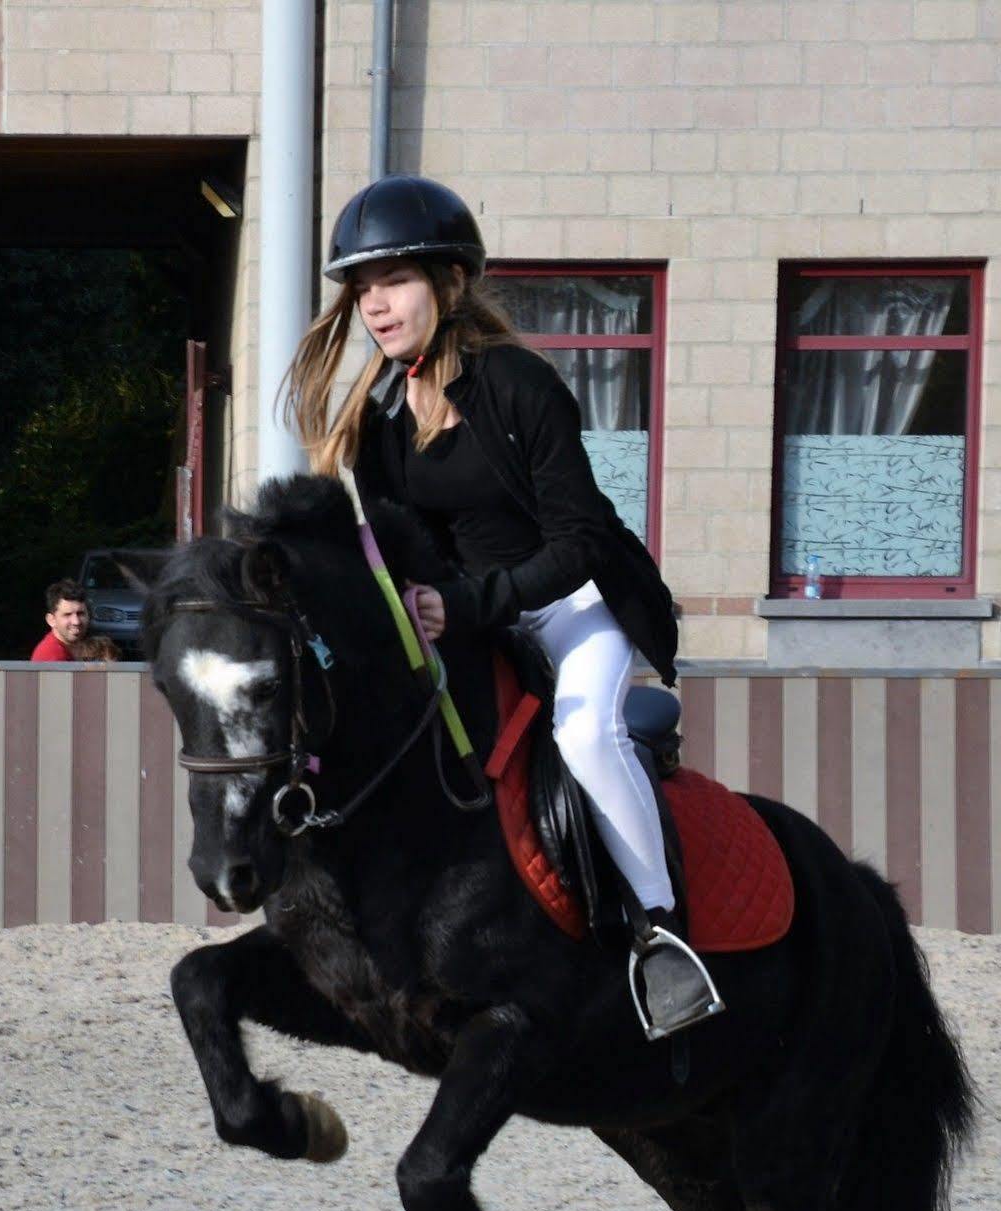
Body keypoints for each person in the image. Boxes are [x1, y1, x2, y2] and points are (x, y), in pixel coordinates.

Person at [281, 173, 720, 1038]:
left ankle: (661, 935)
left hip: (573, 606)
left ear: (448, 283)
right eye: (363, 290)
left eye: (394, 283)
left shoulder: (520, 386)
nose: (375, 305)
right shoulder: (377, 422)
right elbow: (405, 553)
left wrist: (468, 600)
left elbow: (582, 540)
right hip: (476, 618)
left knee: (584, 735)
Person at [32, 579, 120, 663]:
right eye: (67, 615)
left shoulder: (87, 646)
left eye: (80, 613)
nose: (76, 621)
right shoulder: (50, 657)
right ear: (51, 620)